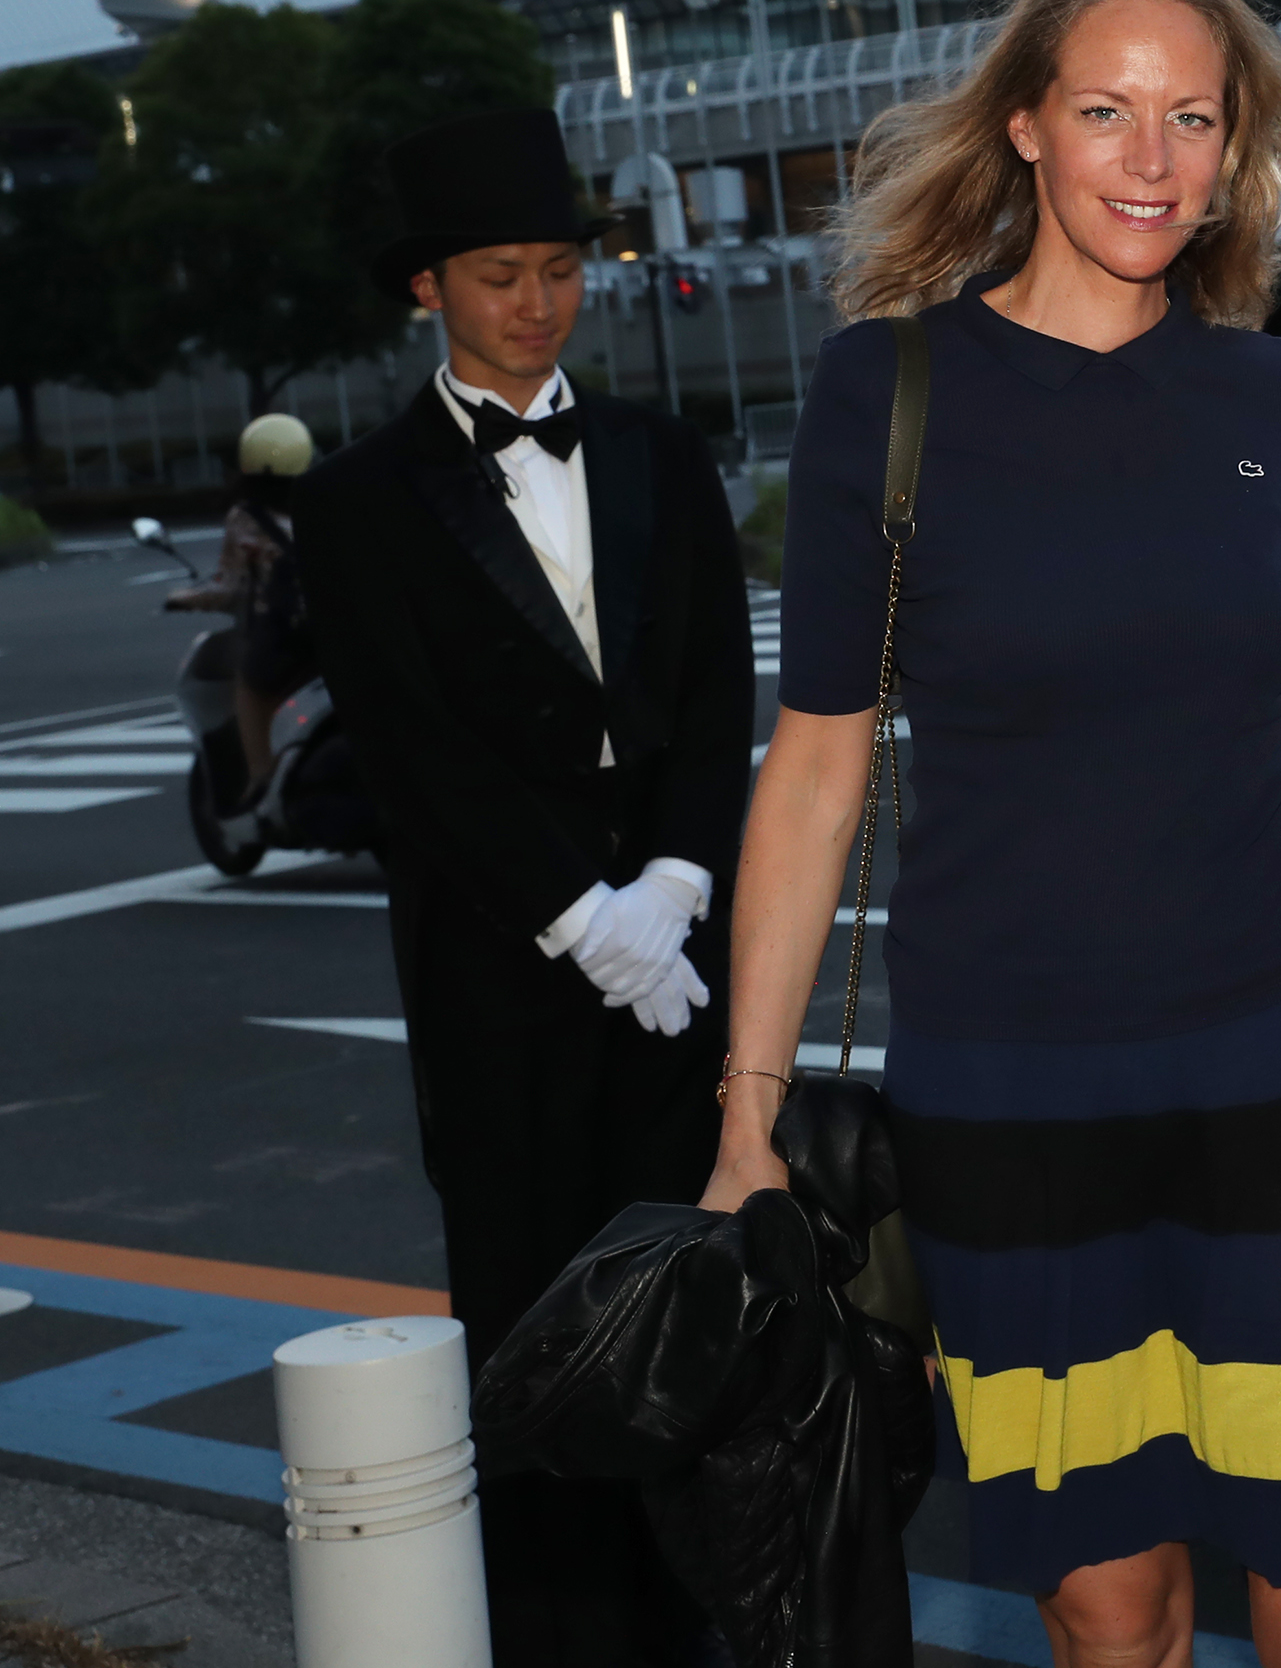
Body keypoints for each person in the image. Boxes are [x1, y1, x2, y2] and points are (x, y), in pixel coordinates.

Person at [704, 0, 1281, 1668]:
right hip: (1012, 1093)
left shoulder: (1271, 395)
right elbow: (818, 768)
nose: (1153, 160)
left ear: (1235, 148)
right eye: (1110, 112)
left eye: (1193, 120)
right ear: (1029, 128)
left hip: (1280, 1065)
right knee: (1108, 1601)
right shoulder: (886, 395)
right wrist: (747, 1120)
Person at [300, 105, 756, 1666]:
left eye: (560, 268)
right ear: (426, 287)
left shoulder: (656, 454)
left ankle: (705, 1634)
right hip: (500, 987)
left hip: (677, 987)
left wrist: (681, 886)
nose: (537, 301)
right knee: (535, 1343)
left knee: (695, 1333)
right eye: (500, 273)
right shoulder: (360, 500)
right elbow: (413, 755)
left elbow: (711, 698)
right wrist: (586, 916)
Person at [166, 410, 317, 798]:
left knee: (248, 688)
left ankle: (261, 776)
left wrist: (182, 599)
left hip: (284, 638)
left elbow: (231, 589)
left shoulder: (247, 519)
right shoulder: (321, 502)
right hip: (330, 630)